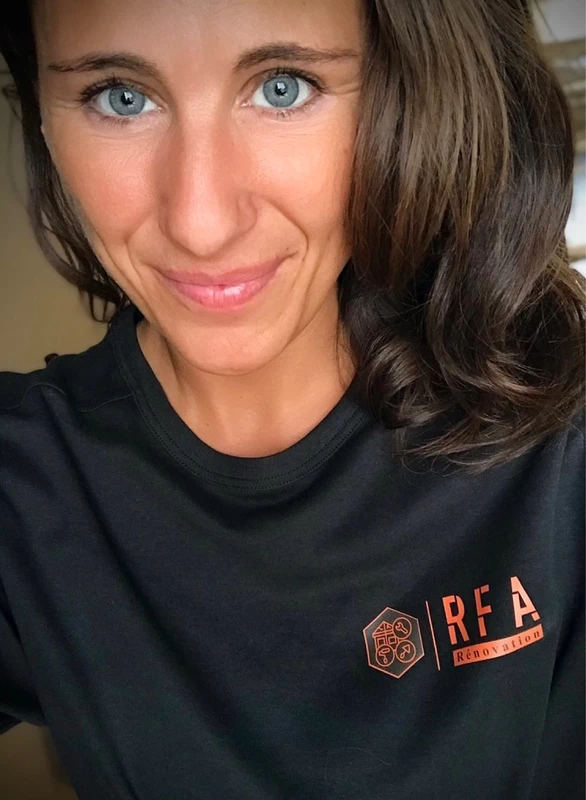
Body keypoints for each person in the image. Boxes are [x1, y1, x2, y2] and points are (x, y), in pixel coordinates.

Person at [0, 1, 584, 798]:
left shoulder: (561, 442)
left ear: (404, 100)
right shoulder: (24, 486)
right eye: (120, 97)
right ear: (44, 117)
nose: (201, 223)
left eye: (284, 86)